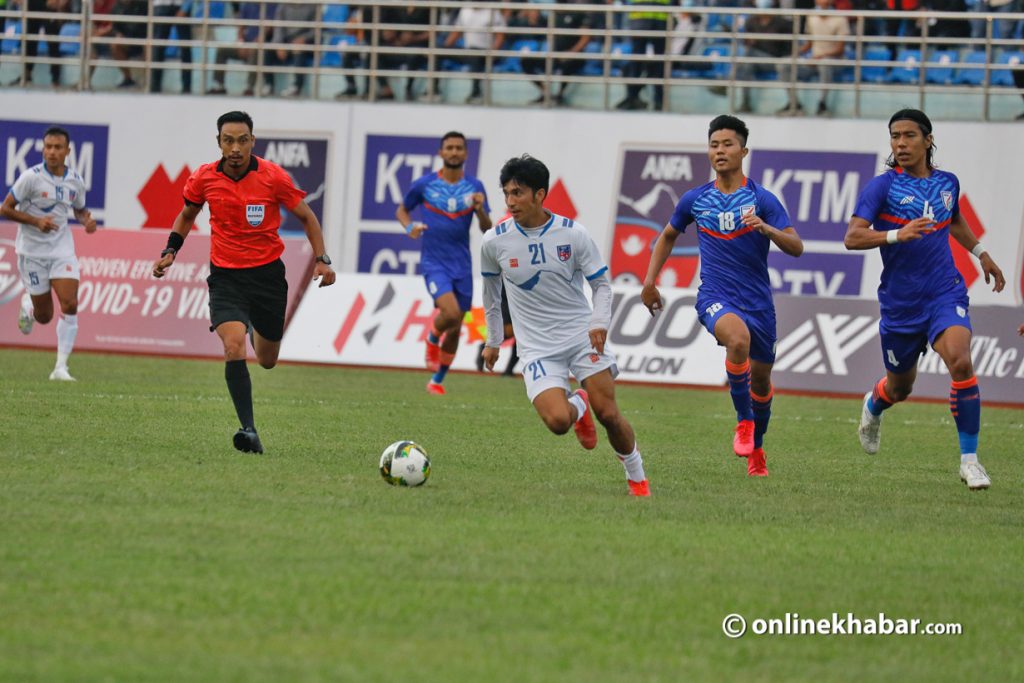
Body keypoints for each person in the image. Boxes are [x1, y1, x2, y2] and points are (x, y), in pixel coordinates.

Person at [151, 111, 336, 454]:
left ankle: (255, 326)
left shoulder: (273, 177)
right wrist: (170, 250)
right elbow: (188, 214)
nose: (235, 147)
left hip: (267, 278)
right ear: (218, 142)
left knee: (267, 359)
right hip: (226, 277)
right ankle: (248, 429)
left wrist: (322, 259)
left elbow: (307, 217)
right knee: (233, 345)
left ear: (253, 141)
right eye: (228, 140)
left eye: (242, 140)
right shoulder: (204, 178)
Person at [844, 109, 1006, 490]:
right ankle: (874, 405)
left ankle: (970, 461)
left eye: (908, 136)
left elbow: (953, 221)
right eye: (894, 136)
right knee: (900, 388)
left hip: (944, 292)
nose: (900, 143)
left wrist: (981, 253)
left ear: (928, 140)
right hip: (901, 304)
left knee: (960, 361)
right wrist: (896, 235)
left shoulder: (948, 182)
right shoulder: (882, 187)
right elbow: (852, 237)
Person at [641, 115, 803, 477]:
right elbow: (667, 234)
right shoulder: (696, 199)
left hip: (759, 304)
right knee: (737, 340)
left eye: (727, 144)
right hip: (715, 295)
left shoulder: (762, 198)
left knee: (761, 382)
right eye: (714, 145)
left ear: (743, 150)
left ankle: (757, 448)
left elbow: (796, 246)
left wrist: (766, 228)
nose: (720, 151)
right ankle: (743, 422)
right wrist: (650, 280)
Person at [480, 154, 650, 497]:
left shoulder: (573, 235)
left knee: (610, 414)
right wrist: (494, 341)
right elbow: (491, 295)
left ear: (540, 194)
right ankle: (579, 404)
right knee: (558, 422)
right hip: (537, 348)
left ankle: (637, 476)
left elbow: (602, 285)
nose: (511, 202)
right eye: (507, 194)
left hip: (580, 337)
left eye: (519, 193)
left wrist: (599, 322)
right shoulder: (494, 241)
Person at [396, 132, 492, 395]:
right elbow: (402, 210)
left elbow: (487, 228)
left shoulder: (475, 187)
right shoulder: (424, 184)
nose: (454, 152)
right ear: (441, 153)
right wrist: (410, 227)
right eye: (449, 147)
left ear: (465, 154)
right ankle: (431, 338)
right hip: (434, 261)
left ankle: (437, 380)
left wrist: (481, 210)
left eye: (459, 148)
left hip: (462, 263)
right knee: (449, 314)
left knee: (456, 324)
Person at [1, 125, 97, 381]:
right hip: (31, 253)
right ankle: (28, 305)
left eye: (57, 147)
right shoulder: (30, 178)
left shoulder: (75, 180)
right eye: (48, 147)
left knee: (70, 303)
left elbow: (79, 209)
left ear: (67, 151)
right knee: (44, 316)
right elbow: (5, 208)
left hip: (61, 249)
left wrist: (86, 220)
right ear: (43, 149)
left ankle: (60, 368)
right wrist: (36, 222)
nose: (52, 152)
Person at [780, 0, 849, 116]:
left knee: (825, 64)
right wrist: (797, 52)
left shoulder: (840, 18)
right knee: (783, 64)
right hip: (814, 60)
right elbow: (810, 43)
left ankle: (822, 104)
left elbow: (840, 49)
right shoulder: (811, 16)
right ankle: (794, 103)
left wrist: (821, 57)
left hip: (833, 61)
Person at [616, 0, 672, 111]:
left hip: (649, 19)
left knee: (656, 62)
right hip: (652, 19)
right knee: (640, 61)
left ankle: (649, 99)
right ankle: (636, 98)